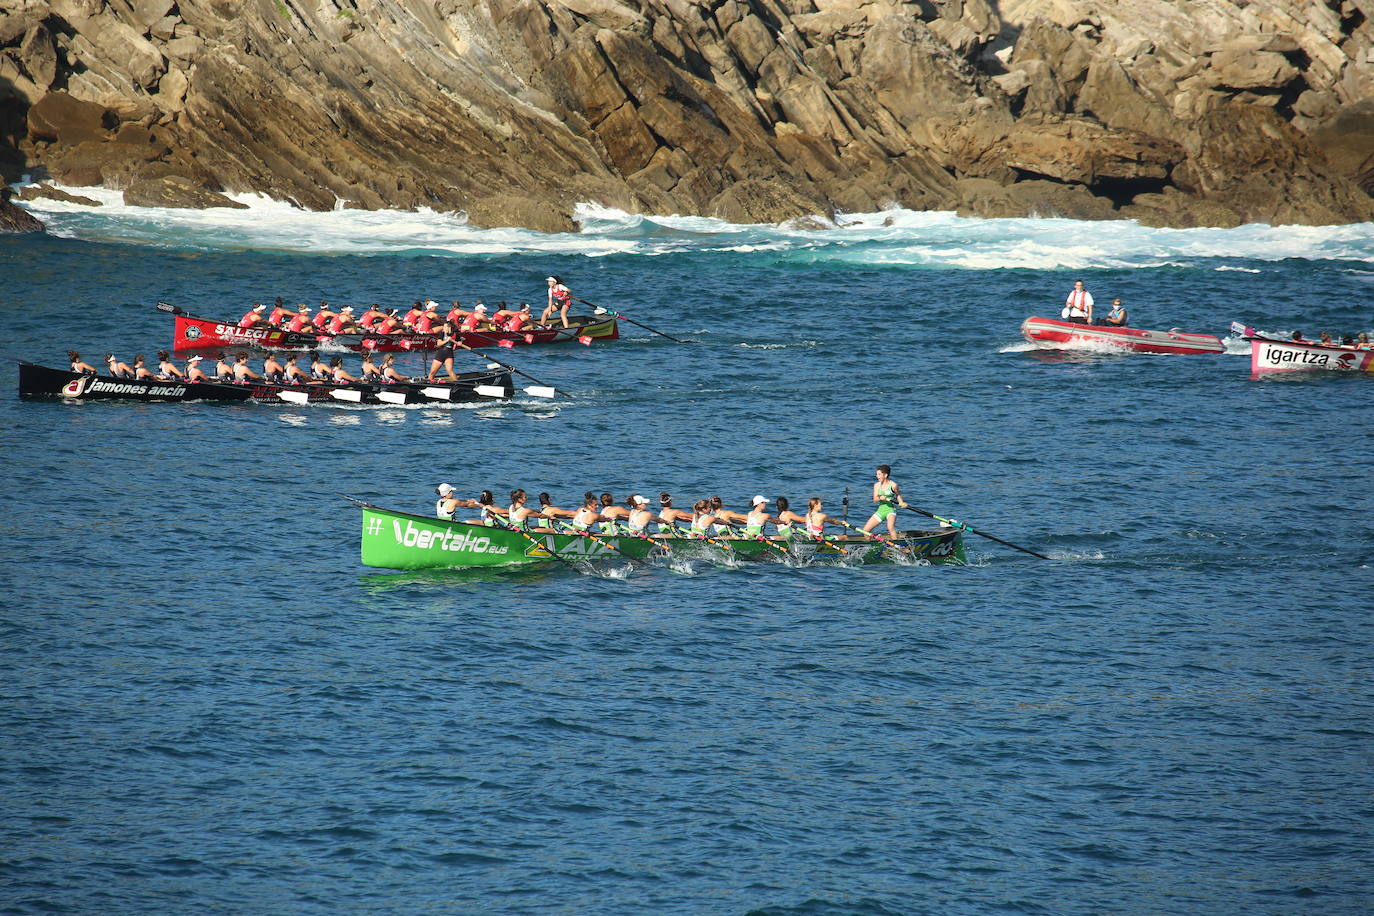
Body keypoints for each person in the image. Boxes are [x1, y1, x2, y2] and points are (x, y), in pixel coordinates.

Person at [863, 464, 908, 539]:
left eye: (879, 474)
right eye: (876, 474)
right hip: (880, 511)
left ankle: (897, 546)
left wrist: (901, 503)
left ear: (885, 475)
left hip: (890, 510)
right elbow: (875, 499)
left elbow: (898, 495)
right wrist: (881, 498)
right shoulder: (876, 485)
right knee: (865, 531)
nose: (877, 476)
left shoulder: (893, 485)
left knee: (890, 527)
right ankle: (870, 547)